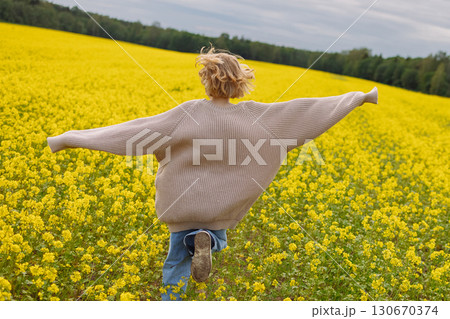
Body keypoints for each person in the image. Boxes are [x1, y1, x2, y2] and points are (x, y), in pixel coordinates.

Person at [46, 46, 378, 301]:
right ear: (240, 84)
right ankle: (208, 242)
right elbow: (304, 112)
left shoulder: (186, 113)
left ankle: (171, 297)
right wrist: (358, 98)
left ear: (206, 81)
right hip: (219, 210)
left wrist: (72, 138)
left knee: (176, 262)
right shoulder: (255, 118)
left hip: (182, 204)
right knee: (216, 237)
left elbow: (134, 131)